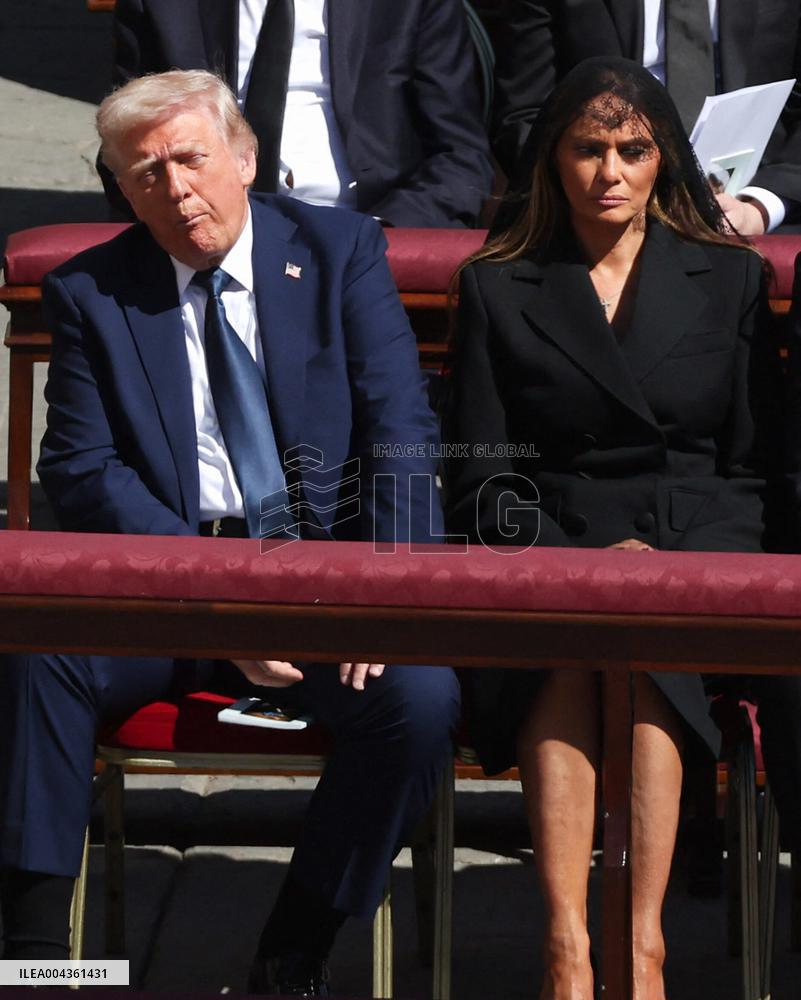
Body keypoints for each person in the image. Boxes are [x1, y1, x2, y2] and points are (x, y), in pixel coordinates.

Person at [0, 70, 460, 996]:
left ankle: (293, 956)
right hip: (164, 585)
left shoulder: (337, 252)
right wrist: (216, 601)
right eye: (144, 174)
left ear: (243, 158)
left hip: (321, 579)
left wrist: (385, 598)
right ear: (119, 190)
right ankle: (39, 968)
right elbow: (83, 472)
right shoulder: (93, 290)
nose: (173, 188)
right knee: (33, 662)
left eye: (189, 159)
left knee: (417, 702)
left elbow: (401, 430)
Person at [442, 56, 792, 999]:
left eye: (631, 150)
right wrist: (574, 559)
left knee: (641, 642)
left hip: (698, 536)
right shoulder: (496, 284)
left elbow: (750, 467)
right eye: (587, 149)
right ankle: (565, 946)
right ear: (552, 160)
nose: (608, 171)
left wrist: (665, 561)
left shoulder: (728, 279)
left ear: (662, 160)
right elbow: (478, 476)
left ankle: (640, 948)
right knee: (577, 632)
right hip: (552, 535)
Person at [104, 0, 494, 228]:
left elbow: (460, 156)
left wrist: (379, 233)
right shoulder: (165, 7)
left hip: (369, 224)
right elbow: (126, 145)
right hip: (212, 231)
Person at [492, 0, 801, 235]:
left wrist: (761, 205)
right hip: (587, 219)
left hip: (757, 207)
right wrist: (593, 192)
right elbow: (523, 115)